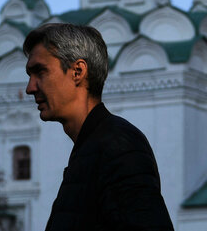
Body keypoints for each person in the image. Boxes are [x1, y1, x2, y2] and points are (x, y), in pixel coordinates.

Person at [23, 23, 174, 230]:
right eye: (29, 75)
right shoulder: (93, 148)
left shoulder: (118, 145)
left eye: (40, 72)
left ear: (78, 71)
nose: (30, 88)